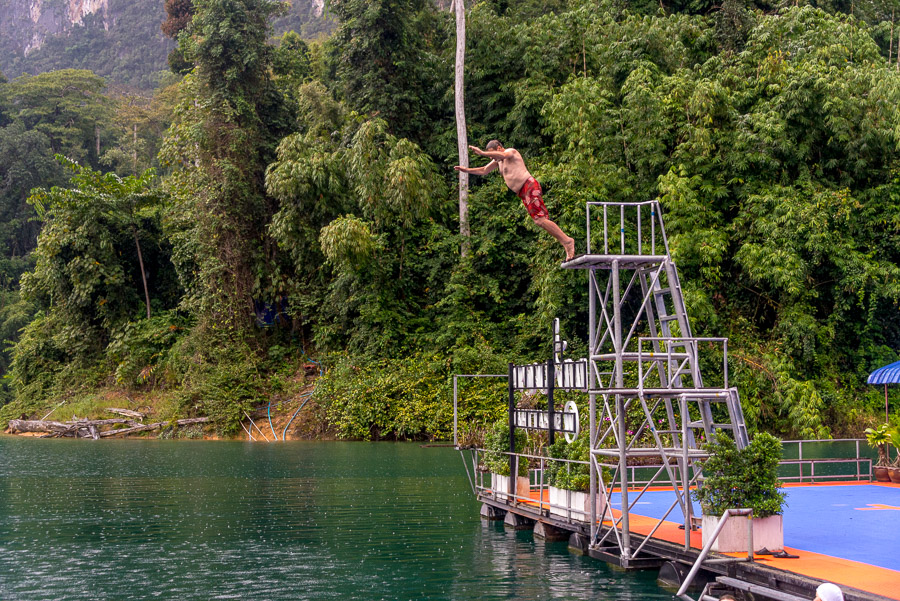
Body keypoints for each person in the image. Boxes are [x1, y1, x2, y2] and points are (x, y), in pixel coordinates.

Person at [455, 140, 576, 261]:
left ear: (499, 148)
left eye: (492, 154)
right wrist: (466, 170)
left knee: (540, 220)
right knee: (539, 221)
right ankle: (566, 242)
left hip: (529, 186)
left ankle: (567, 241)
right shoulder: (498, 161)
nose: (491, 157)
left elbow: (502, 155)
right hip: (522, 192)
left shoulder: (510, 152)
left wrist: (482, 153)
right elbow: (484, 170)